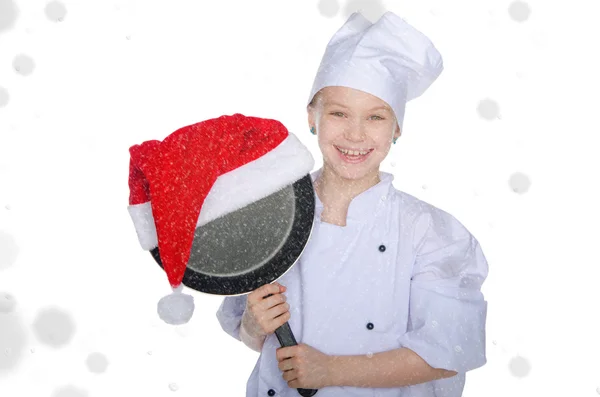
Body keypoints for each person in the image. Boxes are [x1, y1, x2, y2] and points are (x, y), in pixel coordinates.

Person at [216, 11, 489, 397]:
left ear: (396, 129)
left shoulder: (430, 232)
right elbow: (249, 337)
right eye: (339, 113)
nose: (355, 134)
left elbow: (446, 354)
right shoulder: (269, 219)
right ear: (313, 117)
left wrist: (331, 370)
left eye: (375, 117)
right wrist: (253, 324)